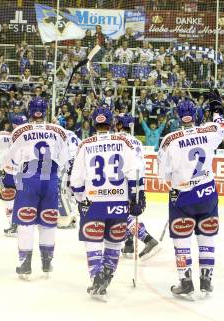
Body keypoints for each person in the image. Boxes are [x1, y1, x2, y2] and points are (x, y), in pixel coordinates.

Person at [70, 106, 146, 301]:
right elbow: (135, 173)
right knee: (114, 242)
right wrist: (137, 198)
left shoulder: (85, 144)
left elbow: (76, 180)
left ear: (94, 123)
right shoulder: (123, 142)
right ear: (111, 122)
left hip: (94, 202)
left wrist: (80, 200)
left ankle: (96, 276)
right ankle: (107, 276)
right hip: (119, 203)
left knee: (92, 241)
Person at [157, 94, 224, 299]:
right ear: (196, 115)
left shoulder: (169, 140)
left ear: (178, 117)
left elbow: (163, 174)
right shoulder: (209, 130)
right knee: (207, 235)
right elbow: (222, 124)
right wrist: (216, 107)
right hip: (207, 194)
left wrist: (175, 186)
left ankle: (186, 281)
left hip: (182, 197)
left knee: (181, 238)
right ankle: (206, 280)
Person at [2, 97, 69, 279]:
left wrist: (13, 171)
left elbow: (9, 160)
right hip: (51, 178)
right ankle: (47, 262)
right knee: (47, 221)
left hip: (28, 179)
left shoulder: (20, 131)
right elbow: (64, 160)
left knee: (26, 222)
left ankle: (25, 263)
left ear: (29, 111)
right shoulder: (59, 131)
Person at [115, 113, 160, 260]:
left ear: (120, 125)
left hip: (123, 181)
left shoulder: (116, 140)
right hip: (137, 180)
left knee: (122, 214)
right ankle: (128, 244)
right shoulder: (137, 142)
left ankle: (148, 240)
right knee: (128, 213)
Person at [0, 115, 27, 237]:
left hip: (9, 172)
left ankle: (13, 225)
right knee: (20, 199)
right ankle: (20, 225)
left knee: (8, 198)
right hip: (24, 173)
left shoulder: (3, 135)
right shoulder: (28, 137)